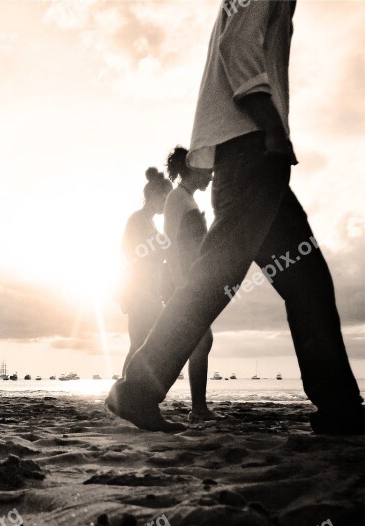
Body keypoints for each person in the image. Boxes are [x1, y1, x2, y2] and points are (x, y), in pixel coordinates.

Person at [107, 0, 364, 435]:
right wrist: (271, 125)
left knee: (308, 283)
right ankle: (137, 390)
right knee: (214, 282)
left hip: (251, 157)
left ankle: (340, 406)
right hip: (253, 152)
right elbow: (238, 42)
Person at [163, 146, 214, 422]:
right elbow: (171, 244)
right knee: (199, 340)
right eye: (208, 169)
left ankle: (198, 407)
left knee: (197, 341)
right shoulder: (177, 199)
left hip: (192, 280)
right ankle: (198, 409)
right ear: (193, 168)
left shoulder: (187, 199)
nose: (212, 175)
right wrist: (182, 283)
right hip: (182, 282)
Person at [118, 167, 172, 376]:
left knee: (145, 344)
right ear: (152, 195)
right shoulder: (138, 220)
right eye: (164, 197)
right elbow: (130, 254)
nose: (167, 202)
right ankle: (122, 391)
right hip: (139, 292)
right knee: (139, 344)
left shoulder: (149, 221)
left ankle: (128, 389)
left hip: (150, 291)